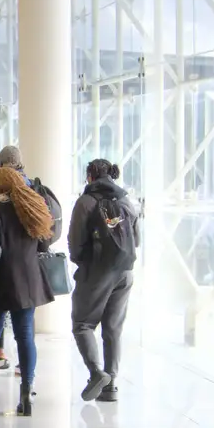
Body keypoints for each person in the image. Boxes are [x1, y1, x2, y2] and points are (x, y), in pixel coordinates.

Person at [0, 166, 61, 416]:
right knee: (25, 335)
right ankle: (26, 392)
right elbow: (45, 241)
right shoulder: (31, 208)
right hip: (27, 280)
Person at [68, 158, 140, 402]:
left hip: (98, 271)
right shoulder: (126, 201)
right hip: (125, 271)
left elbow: (75, 242)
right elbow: (136, 239)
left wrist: (84, 264)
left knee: (82, 324)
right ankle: (111, 386)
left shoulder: (86, 202)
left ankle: (96, 373)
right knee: (113, 328)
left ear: (90, 176)